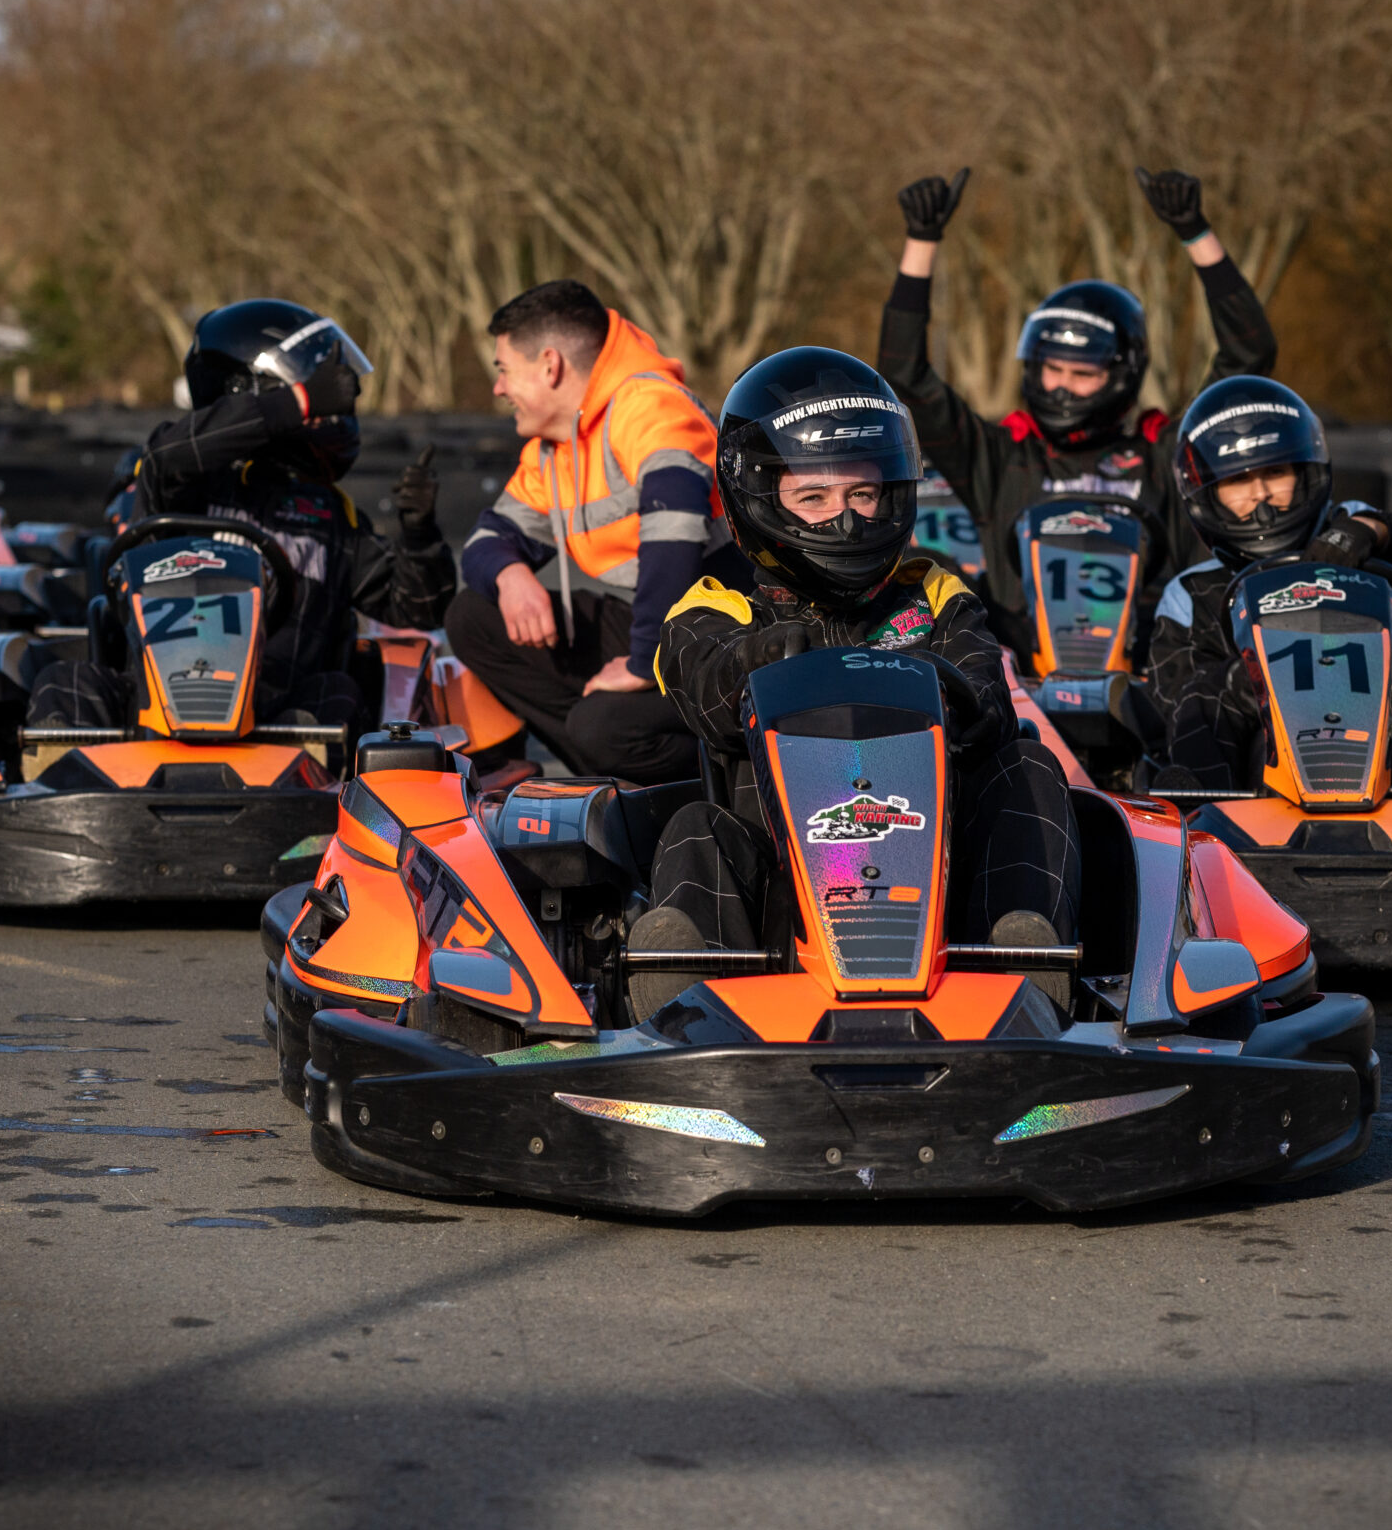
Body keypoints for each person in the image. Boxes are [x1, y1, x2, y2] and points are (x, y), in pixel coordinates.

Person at [625, 347, 1083, 1012]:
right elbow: (709, 686)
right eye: (814, 496)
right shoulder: (714, 606)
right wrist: (778, 655)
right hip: (780, 911)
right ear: (755, 498)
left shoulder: (930, 591)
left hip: (944, 897)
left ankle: (1023, 969)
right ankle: (690, 1005)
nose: (846, 519)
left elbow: (988, 694)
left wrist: (939, 685)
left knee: (1030, 769)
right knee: (696, 825)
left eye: (862, 493)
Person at [875, 165, 1279, 657]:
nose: (1063, 388)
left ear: (1123, 375)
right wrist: (922, 241)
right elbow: (904, 375)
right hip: (1023, 687)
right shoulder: (1002, 458)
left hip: (1146, 681)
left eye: (1083, 373)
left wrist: (1196, 235)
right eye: (1052, 369)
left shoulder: (1163, 454)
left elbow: (1249, 355)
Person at [27, 298, 452, 738]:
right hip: (150, 715)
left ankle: (313, 794)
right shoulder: (185, 480)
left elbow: (418, 609)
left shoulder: (331, 517)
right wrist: (298, 403)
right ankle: (69, 789)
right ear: (259, 389)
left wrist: (420, 535)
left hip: (277, 722)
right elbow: (170, 453)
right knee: (64, 684)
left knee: (341, 693)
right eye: (314, 387)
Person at [446, 279, 745, 787]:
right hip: (666, 625)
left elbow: (672, 534)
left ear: (549, 365)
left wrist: (643, 662)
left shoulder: (650, 405)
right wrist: (511, 575)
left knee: (601, 728)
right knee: (471, 616)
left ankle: (705, 779)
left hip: (732, 633)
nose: (498, 388)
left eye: (503, 371)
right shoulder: (554, 448)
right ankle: (612, 765)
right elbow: (485, 541)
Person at [1146, 374, 1392, 791]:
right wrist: (1254, 682)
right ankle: (1201, 819)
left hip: (1383, 746)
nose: (1260, 494)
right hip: (1257, 771)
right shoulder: (1192, 594)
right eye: (1238, 482)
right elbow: (1174, 704)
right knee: (1201, 697)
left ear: (1305, 473)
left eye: (1275, 473)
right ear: (1206, 496)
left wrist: (1369, 533)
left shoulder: (1349, 532)